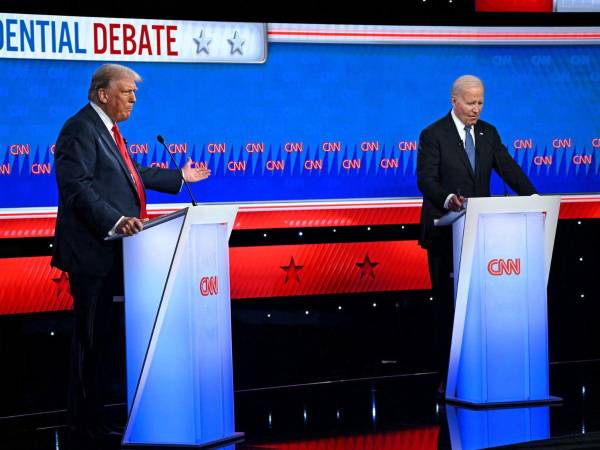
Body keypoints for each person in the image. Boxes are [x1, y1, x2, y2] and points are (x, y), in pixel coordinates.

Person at [51, 64, 211, 444]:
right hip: (92, 255)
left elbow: (130, 171)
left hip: (112, 254)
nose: (133, 99)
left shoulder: (105, 130)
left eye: (134, 93)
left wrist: (179, 178)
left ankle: (96, 420)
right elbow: (77, 188)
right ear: (102, 94)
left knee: (103, 341)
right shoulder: (80, 128)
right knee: (89, 342)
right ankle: (83, 425)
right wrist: (116, 220)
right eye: (126, 92)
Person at [416, 74, 536, 395]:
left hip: (482, 237)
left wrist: (534, 199)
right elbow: (425, 180)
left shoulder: (488, 133)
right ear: (454, 100)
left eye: (481, 102)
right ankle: (449, 380)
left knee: (479, 310)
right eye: (471, 102)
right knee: (448, 310)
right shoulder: (433, 135)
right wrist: (447, 199)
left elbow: (509, 169)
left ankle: (484, 375)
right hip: (445, 235)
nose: (476, 108)